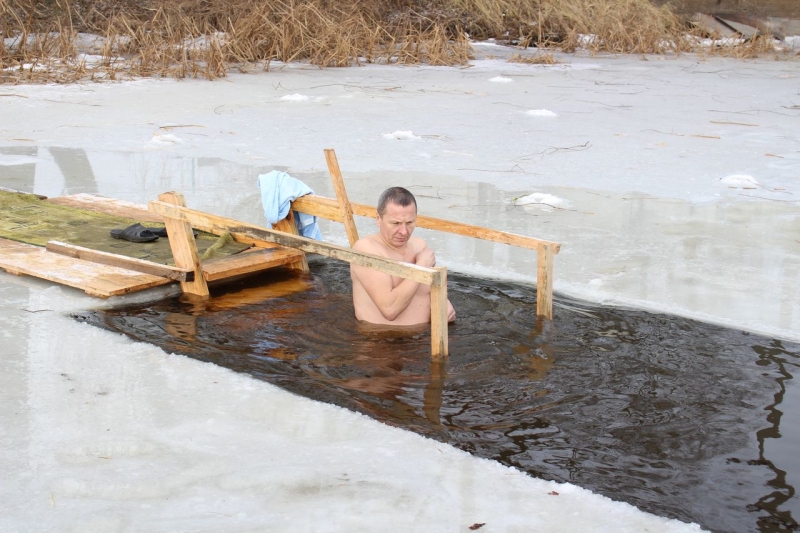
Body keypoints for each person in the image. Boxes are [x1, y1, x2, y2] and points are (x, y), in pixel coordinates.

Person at [351, 187, 456, 326]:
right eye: (395, 223)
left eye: (410, 223)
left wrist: (444, 303)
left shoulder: (419, 246)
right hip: (382, 336)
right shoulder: (365, 249)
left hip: (427, 334)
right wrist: (421, 266)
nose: (404, 231)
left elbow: (432, 290)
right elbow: (389, 309)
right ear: (378, 219)